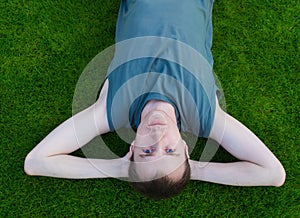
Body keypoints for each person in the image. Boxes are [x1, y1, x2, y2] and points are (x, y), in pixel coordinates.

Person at [24, 0, 286, 199]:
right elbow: (273, 174)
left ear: (132, 149)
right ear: (185, 147)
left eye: (147, 152)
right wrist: (196, 170)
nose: (159, 137)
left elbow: (37, 162)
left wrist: (117, 168)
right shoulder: (206, 117)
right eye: (170, 151)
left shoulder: (112, 110)